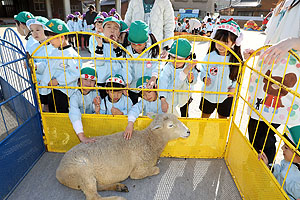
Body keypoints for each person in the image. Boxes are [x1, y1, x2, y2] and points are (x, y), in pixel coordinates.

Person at [243, 0, 300, 164]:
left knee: (294, 142)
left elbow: (287, 42)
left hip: (291, 82)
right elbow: (275, 41)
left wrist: (293, 42)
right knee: (257, 132)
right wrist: (260, 53)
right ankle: (262, 173)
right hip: (267, 80)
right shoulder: (283, 4)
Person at [200, 19, 243, 119]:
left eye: (225, 42)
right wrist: (204, 77)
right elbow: (203, 69)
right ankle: (201, 133)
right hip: (208, 94)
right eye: (218, 41)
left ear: (234, 43)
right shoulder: (209, 56)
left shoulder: (235, 59)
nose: (220, 45)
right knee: (204, 117)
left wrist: (234, 87)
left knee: (222, 119)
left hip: (227, 95)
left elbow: (238, 76)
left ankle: (221, 135)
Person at [44, 19, 80, 113]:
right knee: (53, 112)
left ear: (62, 37)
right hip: (52, 89)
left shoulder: (71, 54)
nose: (49, 41)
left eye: (51, 38)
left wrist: (58, 81)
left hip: (65, 92)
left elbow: (75, 73)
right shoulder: (54, 51)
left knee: (62, 114)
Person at [89, 16, 128, 98]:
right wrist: (99, 45)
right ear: (102, 30)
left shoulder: (121, 47)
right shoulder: (97, 44)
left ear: (119, 32)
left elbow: (123, 62)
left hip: (117, 80)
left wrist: (116, 47)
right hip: (102, 80)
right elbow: (98, 63)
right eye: (109, 27)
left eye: (116, 28)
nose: (112, 30)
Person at [258, 125, 300, 200]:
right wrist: (268, 166)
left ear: (298, 156)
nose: (282, 148)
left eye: (286, 147)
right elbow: (279, 171)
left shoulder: (297, 177)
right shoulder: (287, 162)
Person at [159, 38, 198, 117]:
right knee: (170, 114)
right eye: (172, 57)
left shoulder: (190, 66)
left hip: (185, 95)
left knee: (185, 114)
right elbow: (162, 81)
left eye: (179, 59)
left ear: (187, 58)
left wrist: (191, 80)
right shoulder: (168, 67)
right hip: (171, 95)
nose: (174, 61)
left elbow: (194, 81)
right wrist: (163, 99)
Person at [123, 20, 159, 104]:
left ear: (146, 41)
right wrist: (127, 82)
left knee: (148, 106)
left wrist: (154, 77)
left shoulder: (152, 50)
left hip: (147, 85)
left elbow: (156, 64)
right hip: (132, 85)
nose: (136, 47)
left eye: (139, 44)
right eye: (133, 44)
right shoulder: (128, 51)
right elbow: (127, 67)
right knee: (133, 106)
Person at [26, 16, 54, 112]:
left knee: (52, 104)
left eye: (38, 30)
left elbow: (50, 65)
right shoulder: (33, 47)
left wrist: (37, 66)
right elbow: (30, 60)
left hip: (52, 82)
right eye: (32, 30)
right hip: (39, 82)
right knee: (42, 103)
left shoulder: (53, 46)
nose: (35, 33)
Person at [69, 65, 100, 144]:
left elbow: (98, 111)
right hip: (79, 128)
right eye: (85, 79)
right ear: (79, 81)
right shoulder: (74, 96)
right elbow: (74, 114)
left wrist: (96, 107)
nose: (88, 83)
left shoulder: (96, 93)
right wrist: (82, 137)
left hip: (92, 125)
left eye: (92, 80)